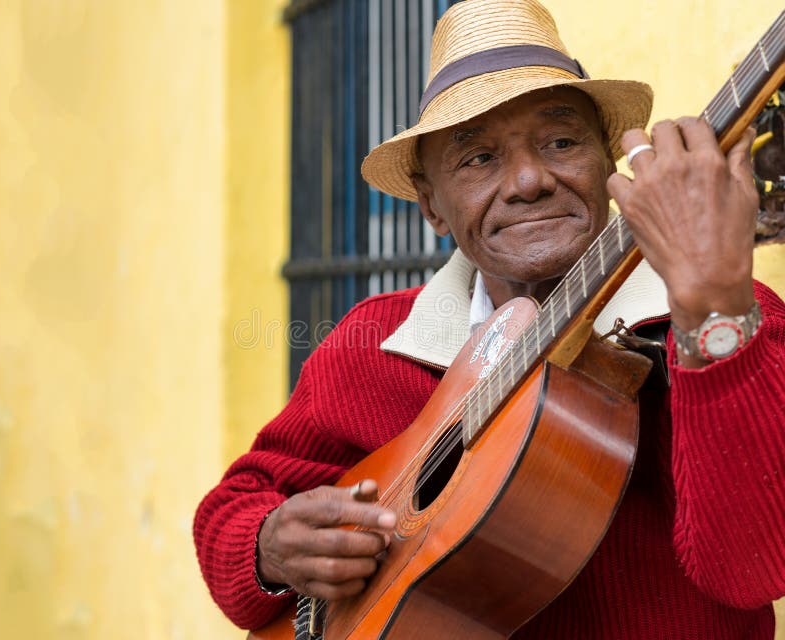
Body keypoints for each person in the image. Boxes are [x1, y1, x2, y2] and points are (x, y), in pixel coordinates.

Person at [193, 0, 785, 637]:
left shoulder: (732, 316)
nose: (530, 180)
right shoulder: (374, 344)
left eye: (561, 141)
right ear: (433, 209)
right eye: (478, 159)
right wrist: (268, 545)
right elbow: (235, 505)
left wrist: (712, 310)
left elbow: (752, 571)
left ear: (608, 163)